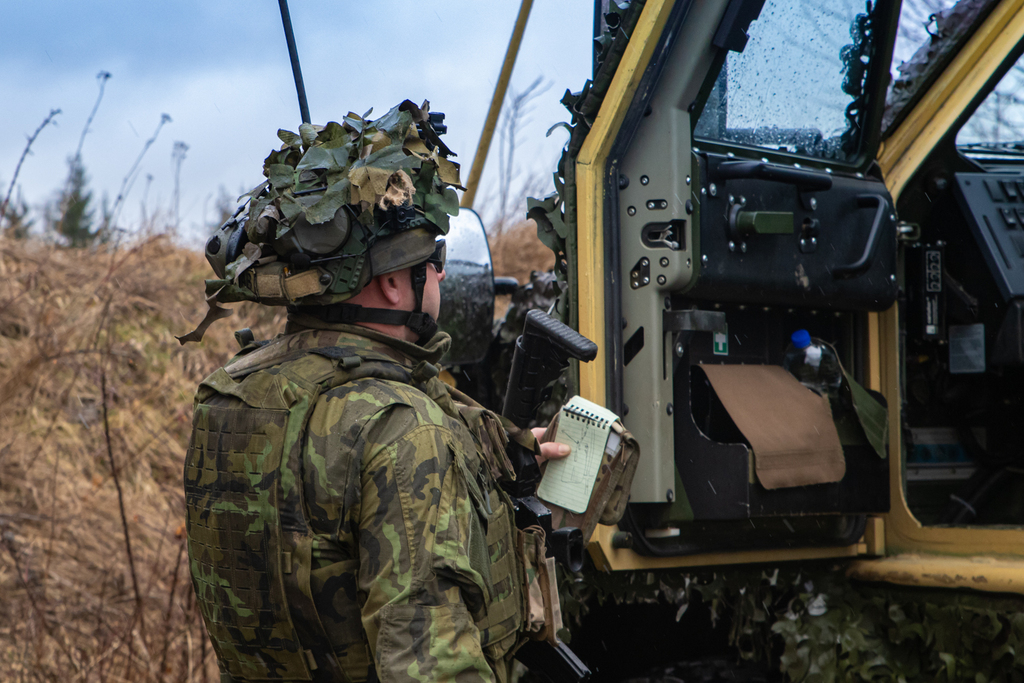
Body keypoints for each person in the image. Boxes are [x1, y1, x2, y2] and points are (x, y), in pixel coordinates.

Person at [180, 101, 569, 683]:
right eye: (434, 259)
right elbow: (433, 670)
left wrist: (507, 445)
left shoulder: (234, 395)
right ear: (393, 284)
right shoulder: (404, 432)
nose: (441, 274)